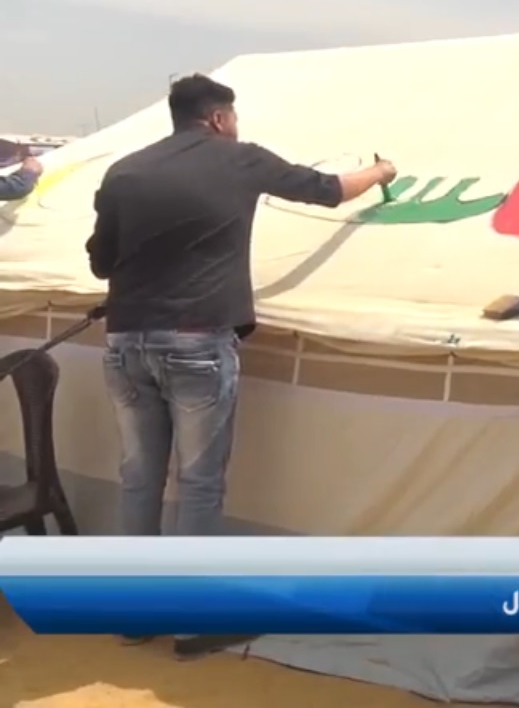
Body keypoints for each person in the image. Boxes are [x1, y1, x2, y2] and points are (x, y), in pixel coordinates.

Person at [84, 73, 397, 659]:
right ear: (219, 118)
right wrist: (380, 172)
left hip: (126, 342)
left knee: (140, 478)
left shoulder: (124, 172)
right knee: (199, 482)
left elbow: (101, 263)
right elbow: (330, 190)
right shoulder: (240, 160)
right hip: (198, 343)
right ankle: (193, 624)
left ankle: (133, 614)